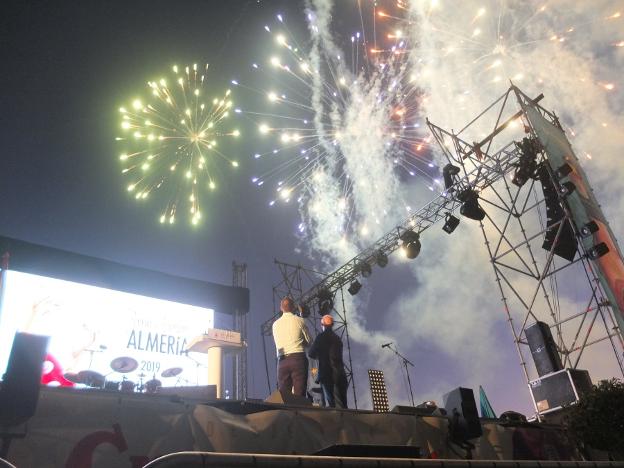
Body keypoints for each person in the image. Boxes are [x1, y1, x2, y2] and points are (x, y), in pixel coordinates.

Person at [272, 296, 311, 397]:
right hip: (298, 359)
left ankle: (286, 413)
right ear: (293, 307)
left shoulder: (275, 325)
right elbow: (310, 341)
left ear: (281, 308)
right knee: (299, 396)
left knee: (284, 397)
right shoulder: (300, 320)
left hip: (282, 362)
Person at [308, 315, 348, 408]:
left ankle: (336, 421)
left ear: (322, 325)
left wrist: (320, 355)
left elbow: (311, 354)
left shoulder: (321, 337)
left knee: (332, 403)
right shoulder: (337, 339)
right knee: (343, 404)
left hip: (327, 374)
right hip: (340, 373)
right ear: (332, 325)